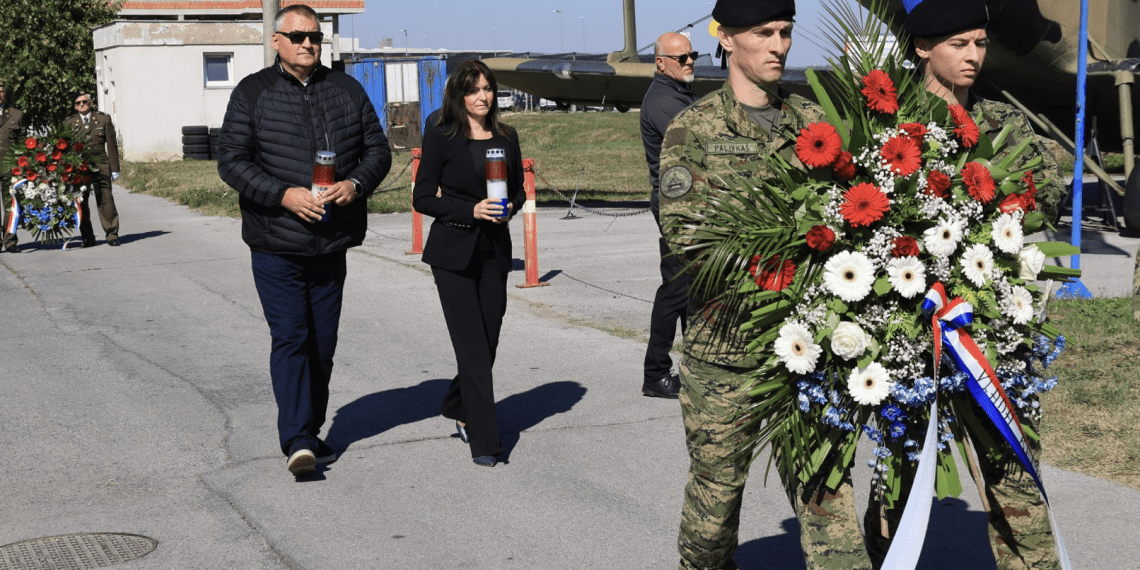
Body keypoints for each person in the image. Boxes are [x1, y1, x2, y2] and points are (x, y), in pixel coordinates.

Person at [658, 1, 872, 568]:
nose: (778, 45)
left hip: (809, 353)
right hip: (726, 358)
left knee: (831, 512)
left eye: (785, 32)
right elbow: (687, 242)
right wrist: (788, 255)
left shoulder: (813, 124)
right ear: (726, 39)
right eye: (763, 33)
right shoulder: (694, 129)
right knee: (713, 516)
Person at [863, 0, 1067, 567]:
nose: (975, 55)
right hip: (912, 335)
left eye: (979, 43)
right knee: (903, 479)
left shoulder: (1004, 123)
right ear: (923, 47)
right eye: (960, 44)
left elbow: (1043, 200)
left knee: (1014, 473)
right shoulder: (888, 127)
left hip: (991, 336)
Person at [217, 4, 391, 476]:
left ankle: (310, 430)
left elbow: (378, 151)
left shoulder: (347, 90)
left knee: (323, 343)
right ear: (276, 41)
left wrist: (354, 185)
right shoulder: (251, 93)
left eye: (315, 36)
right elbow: (231, 161)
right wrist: (284, 195)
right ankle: (296, 438)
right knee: (292, 336)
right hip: (276, 242)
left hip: (332, 242)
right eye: (298, 36)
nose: (309, 44)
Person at [412, 60, 524, 468]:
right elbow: (423, 197)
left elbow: (517, 192)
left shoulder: (507, 136)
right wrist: (470, 210)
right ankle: (485, 441)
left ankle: (457, 401)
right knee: (473, 349)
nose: (482, 96)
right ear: (459, 94)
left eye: (488, 89)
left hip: (495, 252)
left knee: (488, 342)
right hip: (453, 255)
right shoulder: (442, 134)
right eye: (473, 89)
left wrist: (510, 206)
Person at [639, 32, 699, 399]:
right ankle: (655, 373)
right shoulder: (664, 101)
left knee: (691, 290)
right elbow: (699, 144)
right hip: (678, 205)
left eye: (692, 54)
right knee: (677, 289)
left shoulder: (679, 92)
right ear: (661, 62)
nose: (689, 61)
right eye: (681, 57)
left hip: (688, 203)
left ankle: (693, 365)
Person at [63, 92, 121, 247]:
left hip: (100, 166)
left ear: (91, 102)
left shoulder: (103, 119)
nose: (81, 105)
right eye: (77, 103)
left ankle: (112, 234)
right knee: (81, 203)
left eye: (84, 102)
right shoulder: (69, 123)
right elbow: (64, 149)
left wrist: (114, 168)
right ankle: (88, 237)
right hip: (79, 168)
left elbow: (112, 145)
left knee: (105, 200)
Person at [1, 81, 26, 253]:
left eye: (1, 91)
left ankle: (10, 241)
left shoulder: (16, 114)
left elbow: (23, 143)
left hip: (9, 168)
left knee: (11, 205)